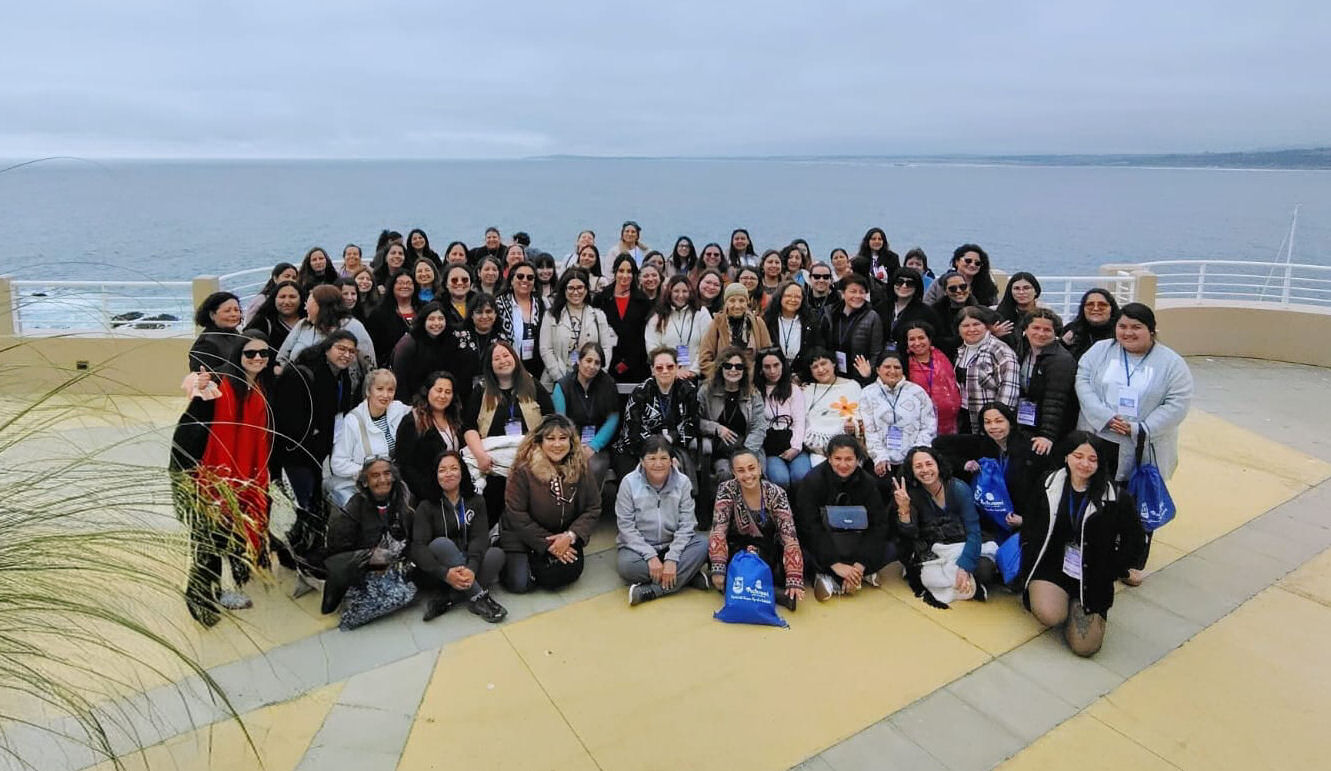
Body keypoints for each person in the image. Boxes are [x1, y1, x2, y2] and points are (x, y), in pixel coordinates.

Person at [1075, 303, 1193, 578]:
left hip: (1143, 445)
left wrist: (1140, 427)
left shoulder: (1171, 363)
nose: (1128, 333)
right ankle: (1096, 553)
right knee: (1099, 499)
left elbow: (1177, 403)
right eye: (1123, 326)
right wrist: (1105, 416)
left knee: (1138, 502)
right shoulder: (1100, 351)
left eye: (1136, 327)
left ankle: (1131, 561)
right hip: (1101, 438)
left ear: (1151, 331)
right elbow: (1083, 382)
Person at [170, 330, 275, 626]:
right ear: (237, 355)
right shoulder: (217, 385)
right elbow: (191, 420)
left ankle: (219, 591)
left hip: (243, 478)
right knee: (209, 542)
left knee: (231, 537)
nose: (257, 358)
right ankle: (198, 598)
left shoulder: (259, 388)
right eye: (250, 353)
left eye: (263, 353)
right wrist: (190, 478)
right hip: (206, 477)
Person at [1018, 432, 1145, 656]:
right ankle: (1062, 603)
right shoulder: (1049, 483)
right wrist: (1029, 552)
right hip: (1053, 567)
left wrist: (1113, 569)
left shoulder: (1116, 498)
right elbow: (1031, 522)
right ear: (1066, 456)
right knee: (1050, 615)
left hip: (1092, 577)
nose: (1084, 464)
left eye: (1092, 459)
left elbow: (1135, 540)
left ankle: (1080, 608)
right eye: (1078, 456)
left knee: (1085, 648)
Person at [273, 331, 361, 573]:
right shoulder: (302, 373)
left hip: (317, 453)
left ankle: (300, 553)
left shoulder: (341, 375)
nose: (346, 355)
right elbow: (286, 418)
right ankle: (299, 557)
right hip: (295, 454)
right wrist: (309, 436)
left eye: (351, 351)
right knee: (305, 507)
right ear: (327, 348)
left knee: (311, 505)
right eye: (341, 349)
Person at [501, 415, 602, 593]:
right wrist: (548, 545)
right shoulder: (523, 470)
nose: (557, 444)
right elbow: (516, 514)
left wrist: (570, 536)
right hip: (523, 535)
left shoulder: (580, 467)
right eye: (550, 438)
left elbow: (593, 507)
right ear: (540, 441)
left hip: (562, 534)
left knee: (563, 574)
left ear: (571, 441)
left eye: (563, 438)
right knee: (520, 584)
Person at [462, 341, 555, 528]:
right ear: (490, 365)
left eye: (506, 355)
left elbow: (551, 421)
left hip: (528, 458)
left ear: (515, 358)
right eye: (496, 358)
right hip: (492, 463)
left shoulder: (532, 385)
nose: (502, 361)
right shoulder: (481, 390)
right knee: (492, 494)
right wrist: (481, 456)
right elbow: (469, 427)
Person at [893, 445, 995, 607]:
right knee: (916, 566)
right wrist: (904, 509)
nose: (925, 470)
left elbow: (973, 531)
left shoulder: (959, 488)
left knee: (984, 569)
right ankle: (962, 583)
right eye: (918, 466)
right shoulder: (911, 493)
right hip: (932, 549)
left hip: (960, 543)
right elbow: (909, 535)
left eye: (929, 464)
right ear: (912, 471)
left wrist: (964, 567)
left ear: (938, 465)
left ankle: (957, 578)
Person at [412, 451, 508, 623]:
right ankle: (480, 598)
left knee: (496, 554)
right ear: (435, 476)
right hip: (441, 570)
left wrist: (471, 568)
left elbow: (480, 537)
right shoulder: (426, 506)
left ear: (462, 472)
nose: (448, 473)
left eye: (454, 468)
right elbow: (418, 546)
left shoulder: (476, 501)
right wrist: (445, 573)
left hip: (469, 563)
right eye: (442, 470)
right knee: (441, 544)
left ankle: (451, 598)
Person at [795, 435, 893, 601]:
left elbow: (878, 525)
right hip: (825, 545)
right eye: (837, 459)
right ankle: (838, 575)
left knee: (892, 548)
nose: (843, 464)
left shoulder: (868, 483)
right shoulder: (812, 481)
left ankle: (849, 577)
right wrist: (835, 564)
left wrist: (860, 565)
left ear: (857, 459)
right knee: (802, 553)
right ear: (829, 458)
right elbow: (809, 526)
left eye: (849, 459)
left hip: (856, 544)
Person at [321, 458, 416, 629]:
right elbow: (337, 553)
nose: (383, 480)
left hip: (394, 564)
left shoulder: (404, 500)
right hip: (362, 569)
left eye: (387, 473)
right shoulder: (352, 509)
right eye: (375, 476)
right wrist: (370, 557)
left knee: (409, 592)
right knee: (396, 596)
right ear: (365, 482)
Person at [615, 436, 709, 605]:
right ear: (642, 461)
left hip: (672, 544)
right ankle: (686, 576)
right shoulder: (628, 483)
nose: (658, 464)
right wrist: (650, 556)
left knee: (704, 544)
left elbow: (687, 524)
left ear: (672, 461)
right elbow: (626, 527)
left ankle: (653, 591)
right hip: (641, 549)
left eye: (663, 458)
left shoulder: (683, 482)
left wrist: (672, 558)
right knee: (626, 566)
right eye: (652, 458)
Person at [707, 449, 804, 610]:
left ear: (760, 468)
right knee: (722, 564)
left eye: (751, 468)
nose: (747, 475)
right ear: (733, 473)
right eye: (741, 470)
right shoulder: (726, 489)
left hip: (768, 548)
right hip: (737, 548)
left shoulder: (776, 493)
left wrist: (794, 579)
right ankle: (774, 594)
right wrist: (718, 569)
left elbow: (789, 537)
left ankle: (745, 588)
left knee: (786, 566)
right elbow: (719, 529)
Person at [934, 402, 1045, 540]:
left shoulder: (1030, 447)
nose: (993, 427)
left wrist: (1025, 520)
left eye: (999, 421)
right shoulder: (984, 443)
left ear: (1010, 422)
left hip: (1024, 522)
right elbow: (938, 445)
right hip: (992, 518)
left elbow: (1042, 493)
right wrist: (964, 464)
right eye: (987, 422)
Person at [326, 368, 411, 510]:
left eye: (390, 390)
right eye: (380, 389)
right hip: (363, 488)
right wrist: (367, 472)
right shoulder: (353, 420)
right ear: (368, 391)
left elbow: (420, 413)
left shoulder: (398, 409)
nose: (385, 395)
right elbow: (337, 463)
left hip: (392, 485)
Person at [613, 346, 700, 481]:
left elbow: (693, 424)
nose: (665, 371)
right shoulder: (641, 392)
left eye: (670, 367)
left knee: (678, 474)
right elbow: (632, 432)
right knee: (636, 481)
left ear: (677, 368)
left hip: (673, 446)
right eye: (659, 368)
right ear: (652, 370)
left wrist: (670, 441)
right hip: (636, 449)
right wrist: (656, 452)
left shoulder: (688, 390)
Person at [861, 350, 937, 484]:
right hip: (881, 459)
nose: (892, 371)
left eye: (897, 367)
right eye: (887, 367)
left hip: (914, 458)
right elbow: (869, 430)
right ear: (878, 370)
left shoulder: (917, 392)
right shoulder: (868, 393)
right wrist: (879, 457)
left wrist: (916, 454)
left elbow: (929, 426)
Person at [551, 342, 620, 488]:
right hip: (569, 443)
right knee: (568, 466)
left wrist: (594, 445)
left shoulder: (608, 384)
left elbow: (612, 419)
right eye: (588, 360)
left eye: (597, 363)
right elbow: (561, 422)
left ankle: (591, 502)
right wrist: (575, 446)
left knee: (594, 466)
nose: (592, 366)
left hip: (598, 445)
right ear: (579, 360)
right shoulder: (562, 386)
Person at [698, 346, 768, 485]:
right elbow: (695, 420)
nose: (733, 370)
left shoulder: (753, 394)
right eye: (728, 366)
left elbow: (759, 427)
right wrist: (716, 428)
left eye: (738, 367)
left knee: (751, 474)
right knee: (726, 474)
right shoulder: (706, 391)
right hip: (721, 452)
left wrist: (745, 454)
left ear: (744, 370)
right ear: (721, 368)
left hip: (749, 449)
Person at [539, 267, 617, 389]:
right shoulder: (551, 316)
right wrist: (561, 379)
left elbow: (606, 348)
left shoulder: (598, 315)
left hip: (591, 381)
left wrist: (596, 374)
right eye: (571, 288)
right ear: (564, 290)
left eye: (580, 287)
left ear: (586, 289)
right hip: (557, 380)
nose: (575, 292)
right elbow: (546, 349)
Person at [395, 371, 464, 502]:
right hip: (426, 497)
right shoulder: (412, 421)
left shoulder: (455, 419)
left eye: (448, 392)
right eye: (439, 390)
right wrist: (428, 493)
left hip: (454, 490)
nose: (443, 396)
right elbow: (404, 465)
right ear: (427, 391)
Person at [276, 284, 376, 373]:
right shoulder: (303, 325)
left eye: (309, 304)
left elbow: (369, 366)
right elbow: (281, 358)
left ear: (322, 307)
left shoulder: (353, 326)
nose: (305, 308)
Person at [392, 302, 475, 408]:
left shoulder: (451, 341)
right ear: (423, 321)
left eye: (440, 319)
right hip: (414, 401)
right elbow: (400, 379)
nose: (436, 323)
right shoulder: (409, 343)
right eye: (431, 319)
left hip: (443, 399)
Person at [1017, 308, 1078, 453]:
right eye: (1036, 328)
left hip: (1051, 433)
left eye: (1047, 330)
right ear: (1026, 329)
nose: (1040, 333)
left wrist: (1047, 435)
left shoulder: (1061, 360)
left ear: (1055, 333)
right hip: (1029, 424)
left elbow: (1055, 401)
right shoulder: (1024, 351)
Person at [954, 306, 1020, 434]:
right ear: (958, 329)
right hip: (966, 416)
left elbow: (1009, 392)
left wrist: (996, 422)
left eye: (976, 324)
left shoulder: (1000, 350)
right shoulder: (961, 350)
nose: (971, 329)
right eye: (965, 326)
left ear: (986, 326)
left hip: (990, 423)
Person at [754, 348, 811, 488]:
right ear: (760, 369)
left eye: (776, 365)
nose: (772, 371)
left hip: (793, 443)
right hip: (770, 446)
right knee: (780, 478)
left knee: (801, 475)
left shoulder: (793, 389)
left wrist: (795, 447)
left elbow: (799, 421)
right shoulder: (755, 391)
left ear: (782, 365)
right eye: (767, 367)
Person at [596, 254, 653, 385]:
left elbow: (644, 335)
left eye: (629, 271)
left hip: (636, 366)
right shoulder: (601, 299)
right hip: (606, 364)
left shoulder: (643, 301)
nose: (625, 275)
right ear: (615, 272)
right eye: (621, 271)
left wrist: (628, 362)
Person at [697, 283, 773, 379]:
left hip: (753, 380)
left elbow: (768, 355)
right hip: (723, 381)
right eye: (732, 301)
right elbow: (704, 360)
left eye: (741, 301)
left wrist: (755, 374)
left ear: (747, 302)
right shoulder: (717, 323)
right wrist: (723, 374)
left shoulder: (758, 323)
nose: (737, 306)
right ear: (726, 303)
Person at [801, 348, 863, 464]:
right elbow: (803, 421)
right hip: (817, 450)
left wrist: (853, 426)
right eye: (815, 367)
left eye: (823, 363)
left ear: (833, 363)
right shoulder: (807, 390)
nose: (821, 369)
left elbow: (860, 417)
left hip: (847, 447)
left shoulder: (852, 386)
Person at [645, 274, 711, 380]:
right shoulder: (658, 315)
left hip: (695, 376)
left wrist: (693, 370)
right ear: (669, 292)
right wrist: (671, 370)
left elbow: (707, 345)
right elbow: (652, 346)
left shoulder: (701, 313)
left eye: (685, 291)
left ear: (690, 292)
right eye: (676, 291)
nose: (680, 295)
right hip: (666, 375)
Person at [822, 273, 883, 385]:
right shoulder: (831, 313)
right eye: (853, 291)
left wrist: (870, 372)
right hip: (833, 376)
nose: (858, 296)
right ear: (842, 293)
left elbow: (876, 352)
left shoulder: (872, 317)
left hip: (859, 378)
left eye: (862, 292)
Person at [904, 321, 962, 436]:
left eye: (921, 338)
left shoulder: (944, 353)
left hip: (953, 421)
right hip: (921, 425)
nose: (917, 343)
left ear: (930, 339)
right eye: (912, 339)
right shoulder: (903, 363)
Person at [495, 260, 547, 381]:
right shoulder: (499, 304)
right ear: (511, 280)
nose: (525, 280)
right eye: (520, 276)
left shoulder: (542, 303)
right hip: (508, 366)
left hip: (537, 367)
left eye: (530, 277)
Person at [763, 279, 823, 382]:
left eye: (798, 297)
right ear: (780, 297)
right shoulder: (767, 321)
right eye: (788, 296)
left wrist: (801, 376)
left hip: (802, 380)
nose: (793, 299)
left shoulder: (812, 321)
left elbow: (817, 350)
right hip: (772, 378)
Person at [876, 267, 940, 353]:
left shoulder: (927, 313)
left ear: (917, 287)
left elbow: (935, 339)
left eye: (910, 283)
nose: (904, 286)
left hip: (911, 357)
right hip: (881, 356)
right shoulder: (880, 307)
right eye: (899, 282)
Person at [189, 291, 244, 377]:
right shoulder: (205, 344)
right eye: (227, 311)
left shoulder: (234, 334)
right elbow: (201, 377)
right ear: (212, 315)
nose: (233, 314)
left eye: (236, 310)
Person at [243, 280, 304, 357]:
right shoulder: (263, 323)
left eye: (292, 297)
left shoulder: (310, 322)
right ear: (274, 299)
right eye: (282, 297)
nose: (287, 302)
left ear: (301, 299)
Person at [923, 245, 998, 306]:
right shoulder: (940, 283)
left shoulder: (987, 287)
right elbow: (927, 306)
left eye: (977, 263)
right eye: (968, 261)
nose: (972, 265)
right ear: (957, 262)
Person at [1062, 288, 1121, 360]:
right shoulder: (1072, 330)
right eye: (1090, 304)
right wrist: (1063, 343)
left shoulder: (1120, 332)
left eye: (1102, 305)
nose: (1096, 308)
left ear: (1112, 309)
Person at [929, 273, 978, 358]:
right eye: (952, 288)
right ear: (945, 292)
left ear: (969, 288)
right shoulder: (934, 312)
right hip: (944, 357)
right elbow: (934, 340)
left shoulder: (980, 311)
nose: (958, 291)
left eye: (963, 287)